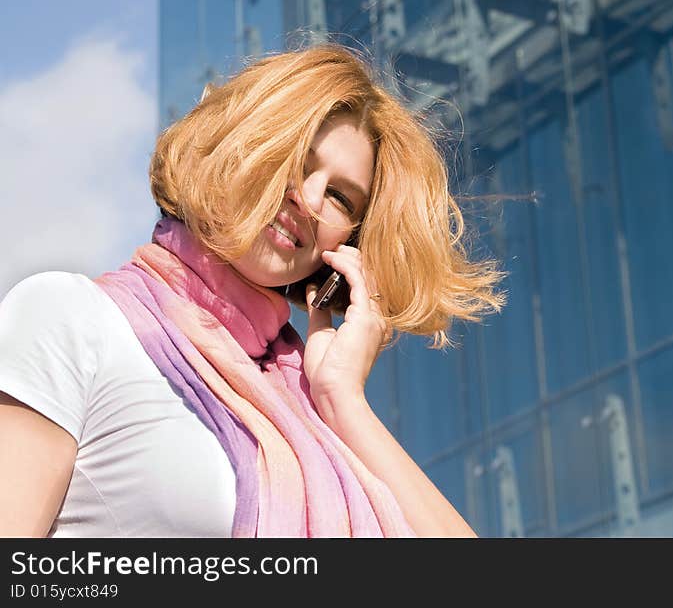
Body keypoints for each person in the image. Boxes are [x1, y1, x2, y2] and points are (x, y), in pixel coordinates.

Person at [0, 42, 505, 537]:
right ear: (238, 146)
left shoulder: (315, 407)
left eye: (339, 197)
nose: (308, 200)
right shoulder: (69, 316)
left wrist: (344, 401)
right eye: (295, 161)